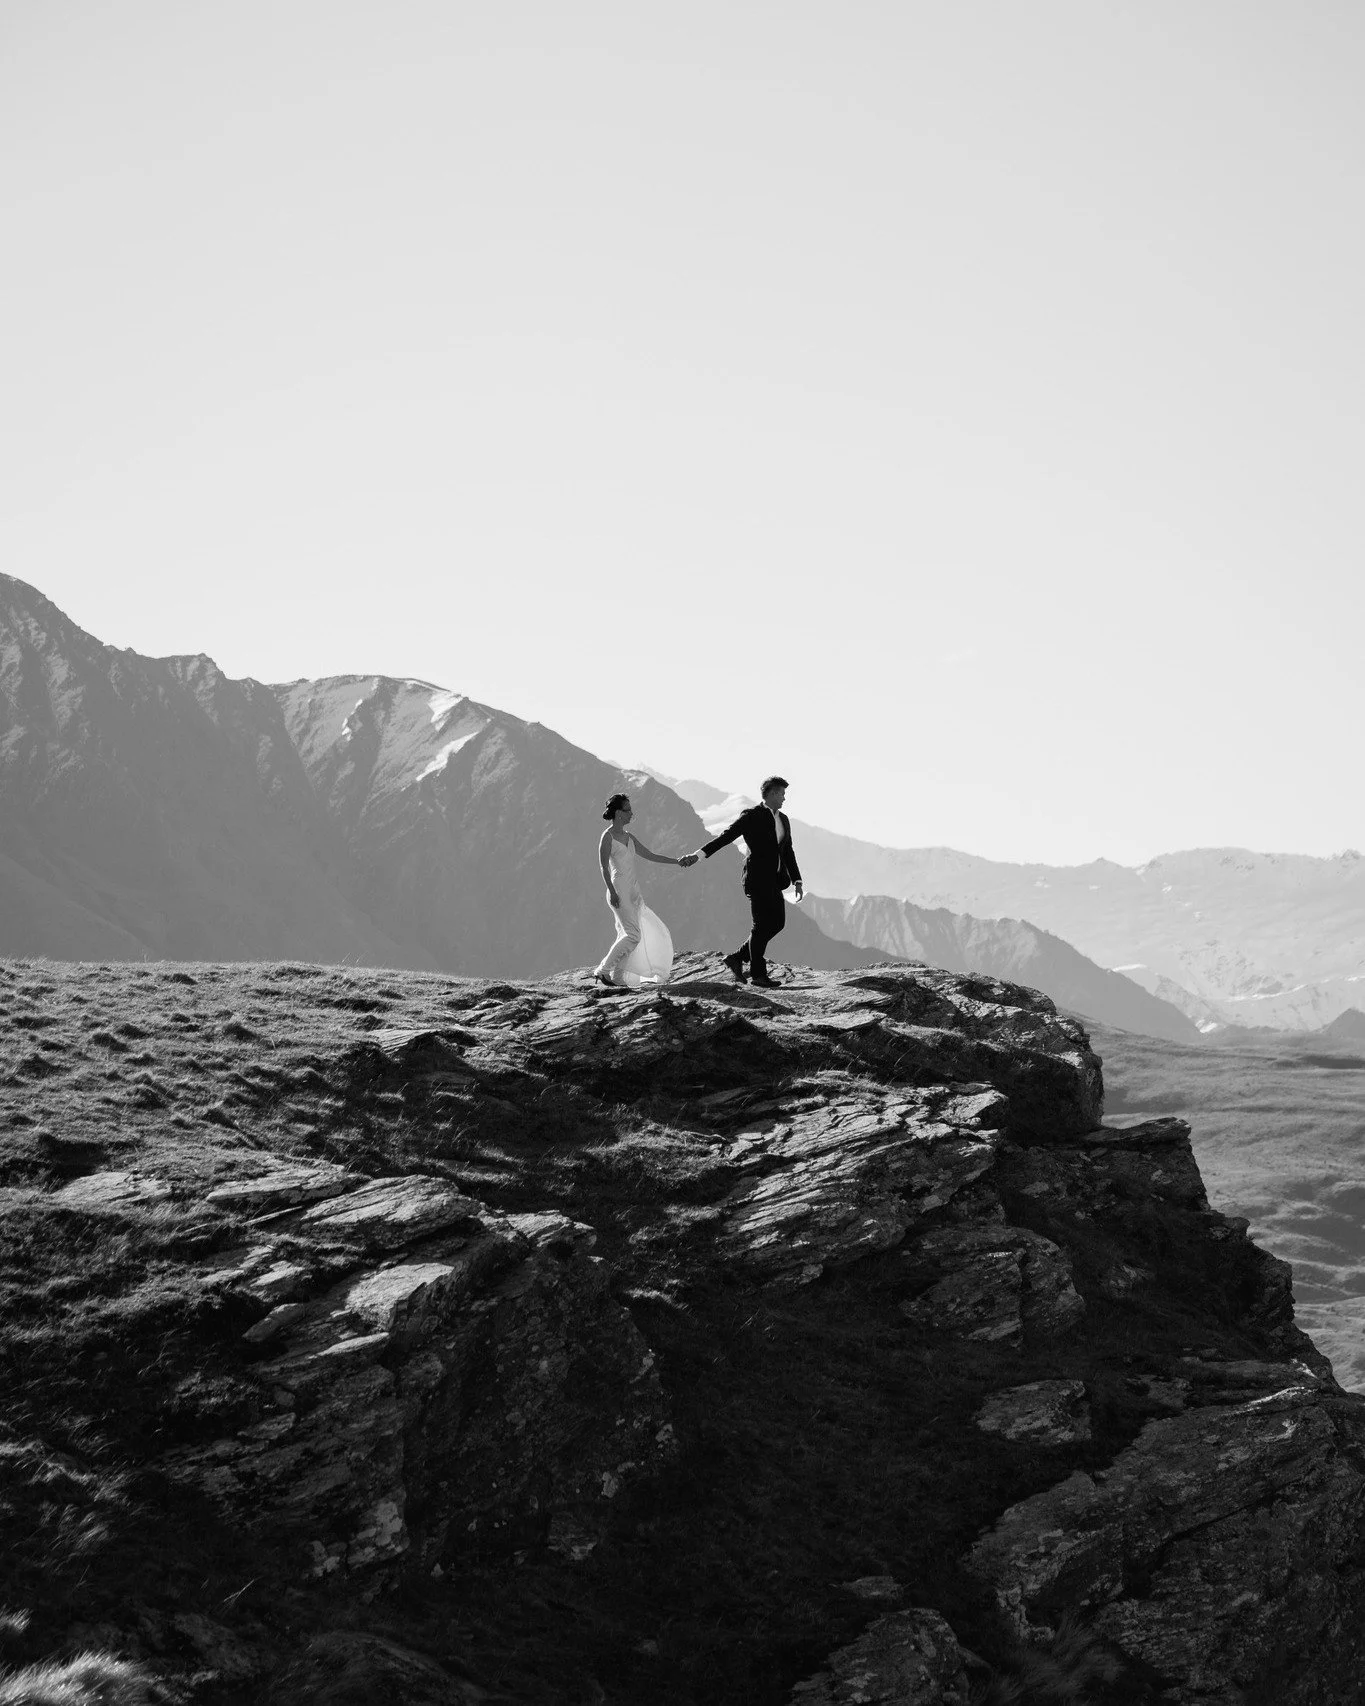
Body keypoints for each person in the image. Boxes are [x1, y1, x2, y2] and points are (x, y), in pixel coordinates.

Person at [684, 776, 803, 987]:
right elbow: (726, 837)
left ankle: (738, 958)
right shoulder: (752, 816)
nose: (784, 798)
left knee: (777, 923)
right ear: (773, 793)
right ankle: (758, 975)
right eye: (782, 794)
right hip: (756, 879)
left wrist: (797, 880)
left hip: (775, 881)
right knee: (760, 927)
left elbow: (788, 851)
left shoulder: (783, 819)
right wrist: (698, 855)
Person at [594, 793, 687, 988]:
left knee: (627, 934)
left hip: (633, 890)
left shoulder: (629, 837)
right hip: (618, 889)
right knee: (633, 935)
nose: (631, 814)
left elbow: (651, 855)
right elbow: (603, 867)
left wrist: (677, 861)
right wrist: (611, 891)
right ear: (618, 813)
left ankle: (618, 977)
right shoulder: (607, 836)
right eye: (628, 810)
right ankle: (602, 970)